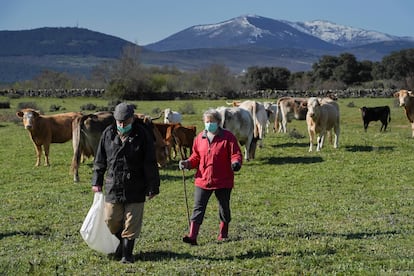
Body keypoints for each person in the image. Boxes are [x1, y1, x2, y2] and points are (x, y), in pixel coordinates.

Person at [91, 102, 160, 263]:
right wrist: (97, 180)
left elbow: (150, 162)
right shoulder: (108, 133)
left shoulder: (142, 135)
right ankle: (122, 244)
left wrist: (153, 186)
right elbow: (100, 160)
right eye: (119, 121)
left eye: (125, 122)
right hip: (113, 184)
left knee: (131, 221)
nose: (122, 125)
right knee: (111, 219)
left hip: (136, 185)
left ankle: (127, 255)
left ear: (132, 119)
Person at [179, 108, 242, 245]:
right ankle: (192, 236)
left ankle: (223, 234)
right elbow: (196, 157)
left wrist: (236, 162)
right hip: (203, 179)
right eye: (207, 122)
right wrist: (187, 163)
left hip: (223, 180)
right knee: (198, 208)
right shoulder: (199, 138)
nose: (209, 124)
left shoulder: (228, 137)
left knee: (224, 207)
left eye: (212, 121)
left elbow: (235, 153)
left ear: (219, 122)